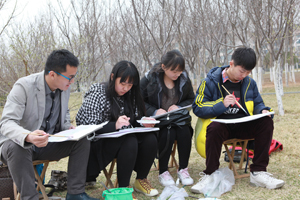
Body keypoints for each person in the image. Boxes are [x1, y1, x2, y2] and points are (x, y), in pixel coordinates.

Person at [0, 49, 98, 200]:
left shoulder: (64, 87)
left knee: (82, 140)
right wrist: (28, 136)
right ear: (52, 74)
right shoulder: (23, 87)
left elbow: (64, 113)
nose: (72, 81)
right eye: (69, 77)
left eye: (74, 77)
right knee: (15, 146)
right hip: (20, 147)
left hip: (48, 143)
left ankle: (76, 193)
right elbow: (6, 123)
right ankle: (30, 197)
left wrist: (68, 128)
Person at [192, 47, 285, 193]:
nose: (244, 75)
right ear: (231, 64)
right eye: (242, 71)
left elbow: (257, 102)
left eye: (248, 72)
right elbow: (198, 107)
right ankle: (210, 174)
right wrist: (221, 104)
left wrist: (262, 110)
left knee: (266, 121)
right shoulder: (209, 82)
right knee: (214, 128)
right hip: (223, 126)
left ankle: (258, 172)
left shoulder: (249, 83)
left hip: (243, 124)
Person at [76, 60, 159, 199]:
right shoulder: (99, 91)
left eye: (130, 85)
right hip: (97, 144)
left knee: (150, 138)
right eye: (122, 83)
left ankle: (141, 180)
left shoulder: (131, 95)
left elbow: (133, 121)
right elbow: (86, 125)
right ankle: (123, 189)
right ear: (113, 77)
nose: (125, 88)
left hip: (122, 140)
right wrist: (114, 126)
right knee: (129, 140)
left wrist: (143, 122)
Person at [140, 50, 195, 186]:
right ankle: (163, 171)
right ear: (163, 67)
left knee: (185, 131)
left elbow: (191, 99)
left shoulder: (184, 79)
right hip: (158, 121)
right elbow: (139, 101)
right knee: (167, 132)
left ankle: (183, 168)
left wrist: (179, 106)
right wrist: (154, 111)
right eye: (173, 71)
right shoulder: (149, 79)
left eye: (180, 71)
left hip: (178, 118)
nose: (177, 74)